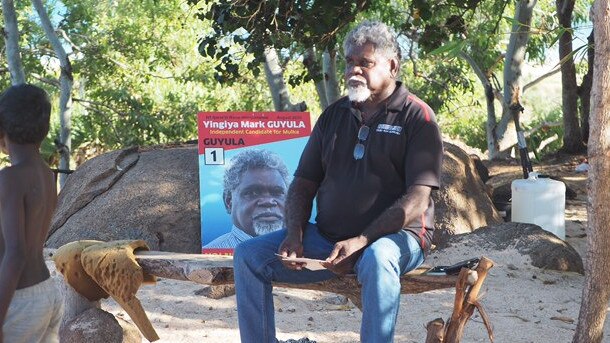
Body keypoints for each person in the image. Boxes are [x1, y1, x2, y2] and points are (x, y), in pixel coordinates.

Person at [233, 20, 443, 342]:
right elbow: (304, 182)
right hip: (330, 240)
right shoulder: (333, 115)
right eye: (349, 62)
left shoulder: (418, 118)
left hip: (398, 240)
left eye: (365, 63)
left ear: (392, 66)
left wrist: (362, 240)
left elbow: (417, 200)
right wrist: (294, 233)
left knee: (377, 257)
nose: (354, 70)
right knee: (249, 256)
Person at [0, 84, 63, 343]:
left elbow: (15, 253)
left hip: (19, 299)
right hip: (47, 292)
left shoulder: (10, 178)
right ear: (45, 130)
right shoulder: (46, 174)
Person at [204, 149, 290, 249]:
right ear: (228, 202)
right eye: (253, 193)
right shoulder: (214, 251)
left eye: (278, 192)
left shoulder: (305, 249)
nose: (268, 201)